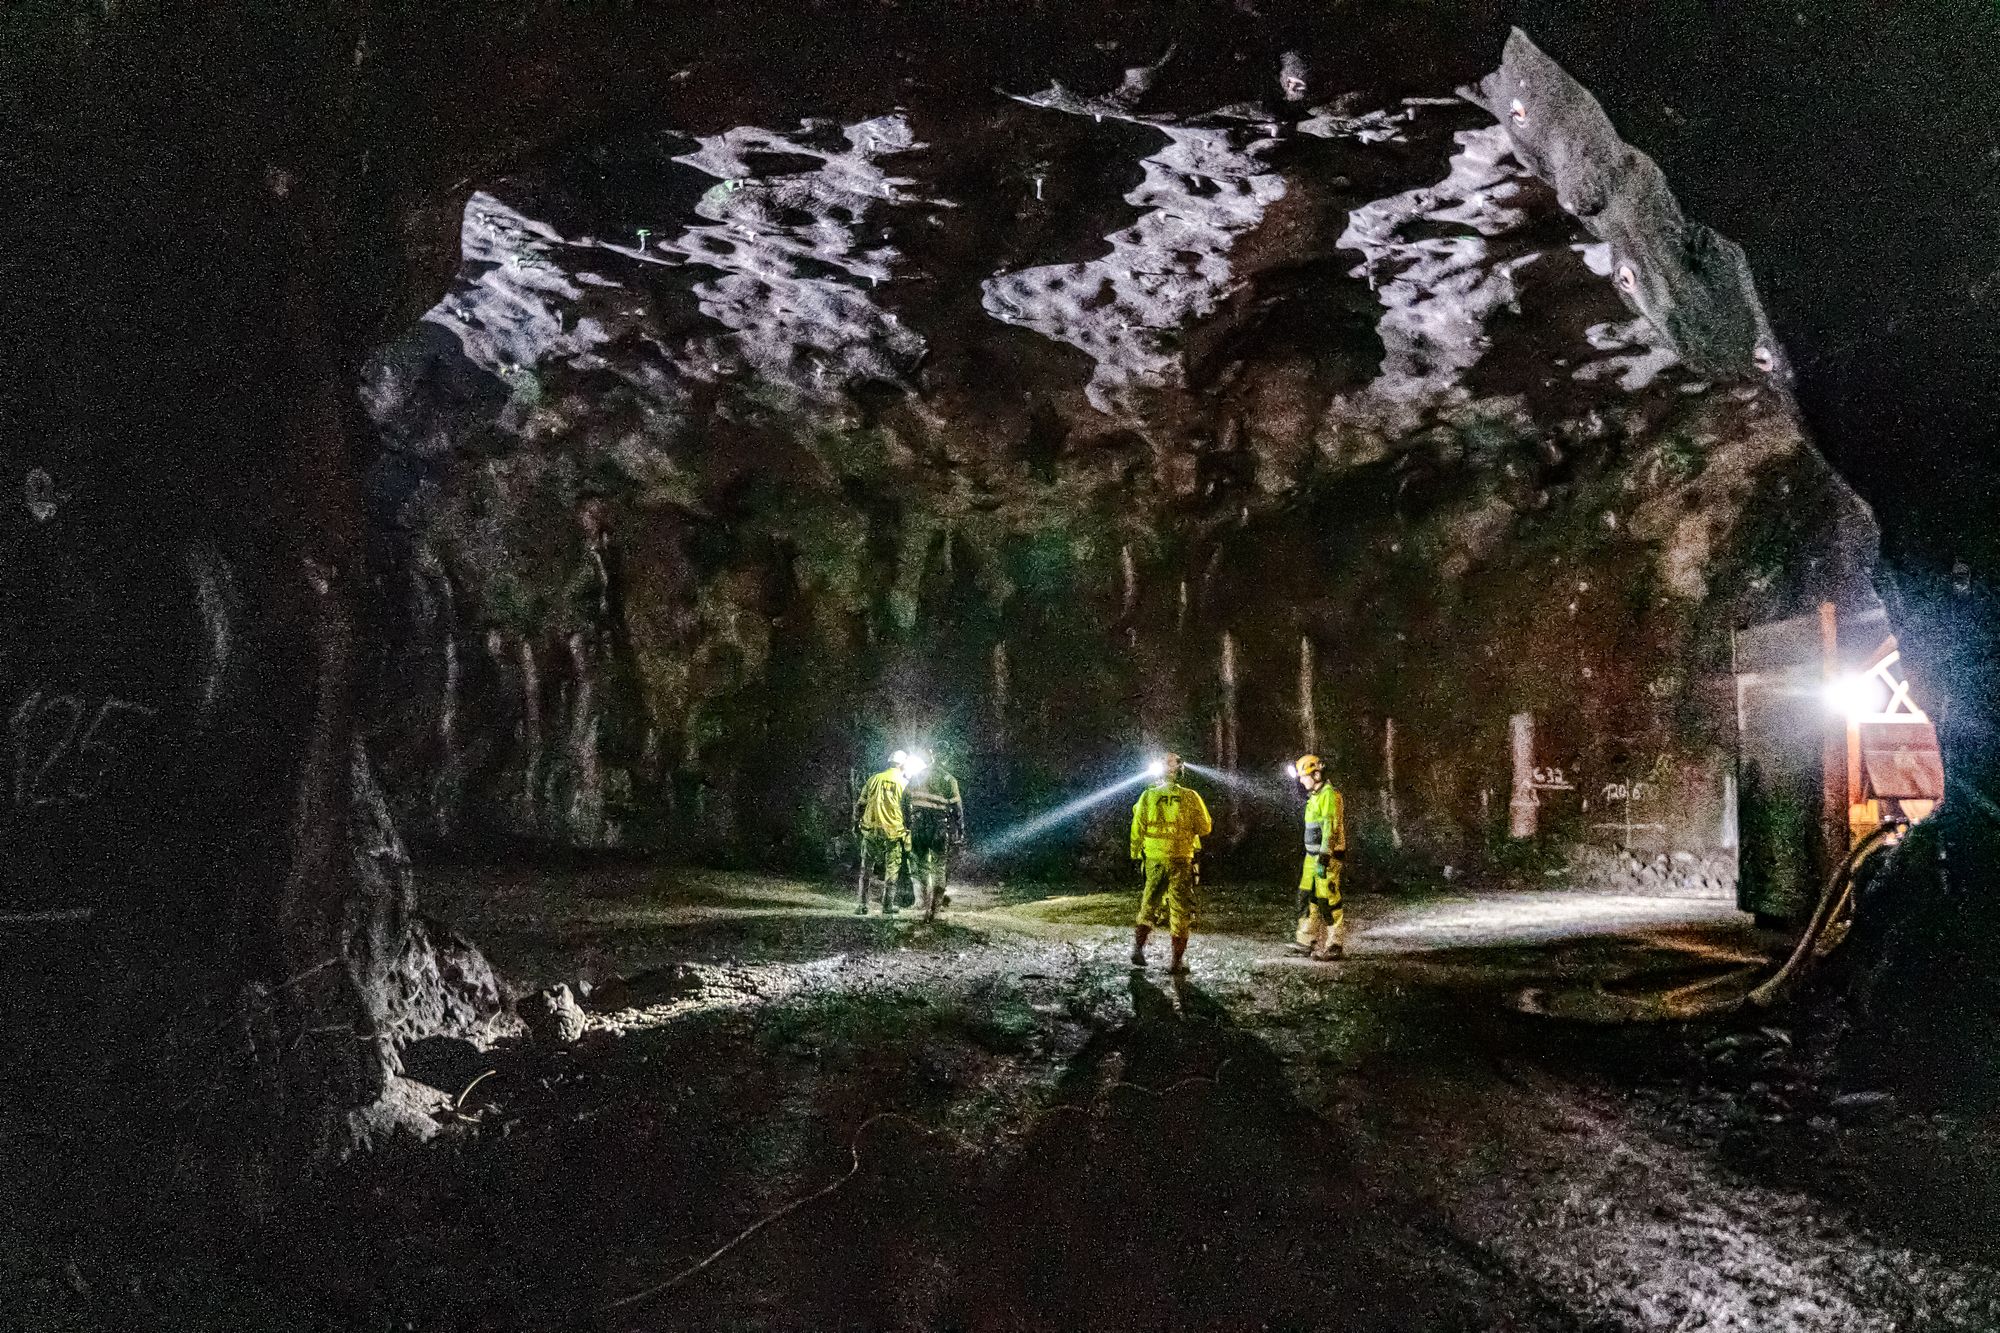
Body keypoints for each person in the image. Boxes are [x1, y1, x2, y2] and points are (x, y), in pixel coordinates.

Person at [1129, 753, 1213, 973]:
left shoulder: (1148, 796)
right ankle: (1176, 962)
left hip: (1155, 859)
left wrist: (1136, 854)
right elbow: (1205, 827)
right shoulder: (1191, 797)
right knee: (1179, 910)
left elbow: (1137, 828)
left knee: (1149, 904)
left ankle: (1138, 949)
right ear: (1181, 772)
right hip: (1181, 859)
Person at [1289, 754, 1347, 961]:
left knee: (1327, 900)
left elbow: (1329, 829)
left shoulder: (1328, 795)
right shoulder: (1315, 795)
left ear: (1316, 774)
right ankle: (1305, 940)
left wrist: (1324, 857)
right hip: (1311, 856)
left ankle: (1334, 944)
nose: (1301, 781)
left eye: (1304, 776)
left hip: (1326, 857)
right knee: (1307, 897)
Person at [902, 755, 965, 921]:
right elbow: (957, 808)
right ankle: (934, 909)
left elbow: (904, 798)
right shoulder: (949, 779)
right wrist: (960, 830)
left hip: (918, 826)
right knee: (939, 867)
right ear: (946, 759)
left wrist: (907, 821)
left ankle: (921, 902)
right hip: (938, 827)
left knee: (918, 864)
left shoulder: (918, 775)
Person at [854, 751, 913, 916]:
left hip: (871, 831)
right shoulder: (905, 783)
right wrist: (908, 830)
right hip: (893, 833)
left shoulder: (873, 779)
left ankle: (862, 905)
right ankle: (887, 906)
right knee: (892, 870)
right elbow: (909, 812)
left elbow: (860, 804)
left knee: (865, 870)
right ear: (902, 764)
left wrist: (855, 823)